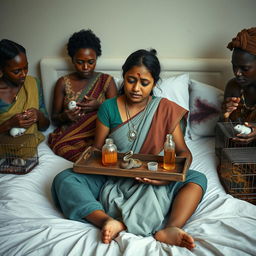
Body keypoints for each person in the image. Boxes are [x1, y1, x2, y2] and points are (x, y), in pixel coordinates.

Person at [51, 49, 207, 250]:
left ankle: (171, 228)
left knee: (197, 179)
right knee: (64, 179)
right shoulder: (108, 107)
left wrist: (164, 177)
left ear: (154, 84)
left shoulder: (165, 108)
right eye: (131, 80)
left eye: (144, 83)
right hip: (114, 174)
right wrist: (90, 161)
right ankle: (106, 221)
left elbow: (184, 152)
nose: (136, 88)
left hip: (153, 174)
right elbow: (97, 149)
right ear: (124, 77)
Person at [48, 29, 117, 162]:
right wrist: (64, 116)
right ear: (72, 60)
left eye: (91, 62)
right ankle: (88, 162)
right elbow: (54, 119)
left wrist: (99, 106)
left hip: (98, 134)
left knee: (109, 147)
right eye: (80, 62)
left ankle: (90, 160)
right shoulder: (63, 83)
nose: (85, 67)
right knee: (60, 145)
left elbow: (116, 114)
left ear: (96, 59)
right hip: (70, 136)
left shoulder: (106, 81)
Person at [0, 39, 49, 146]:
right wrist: (9, 124)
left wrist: (38, 115)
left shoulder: (33, 83)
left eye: (26, 67)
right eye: (16, 71)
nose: (23, 74)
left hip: (29, 147)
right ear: (2, 69)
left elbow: (45, 126)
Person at [222, 27, 256, 143]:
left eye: (245, 68)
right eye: (234, 66)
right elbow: (224, 131)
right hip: (238, 150)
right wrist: (226, 116)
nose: (237, 73)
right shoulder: (233, 86)